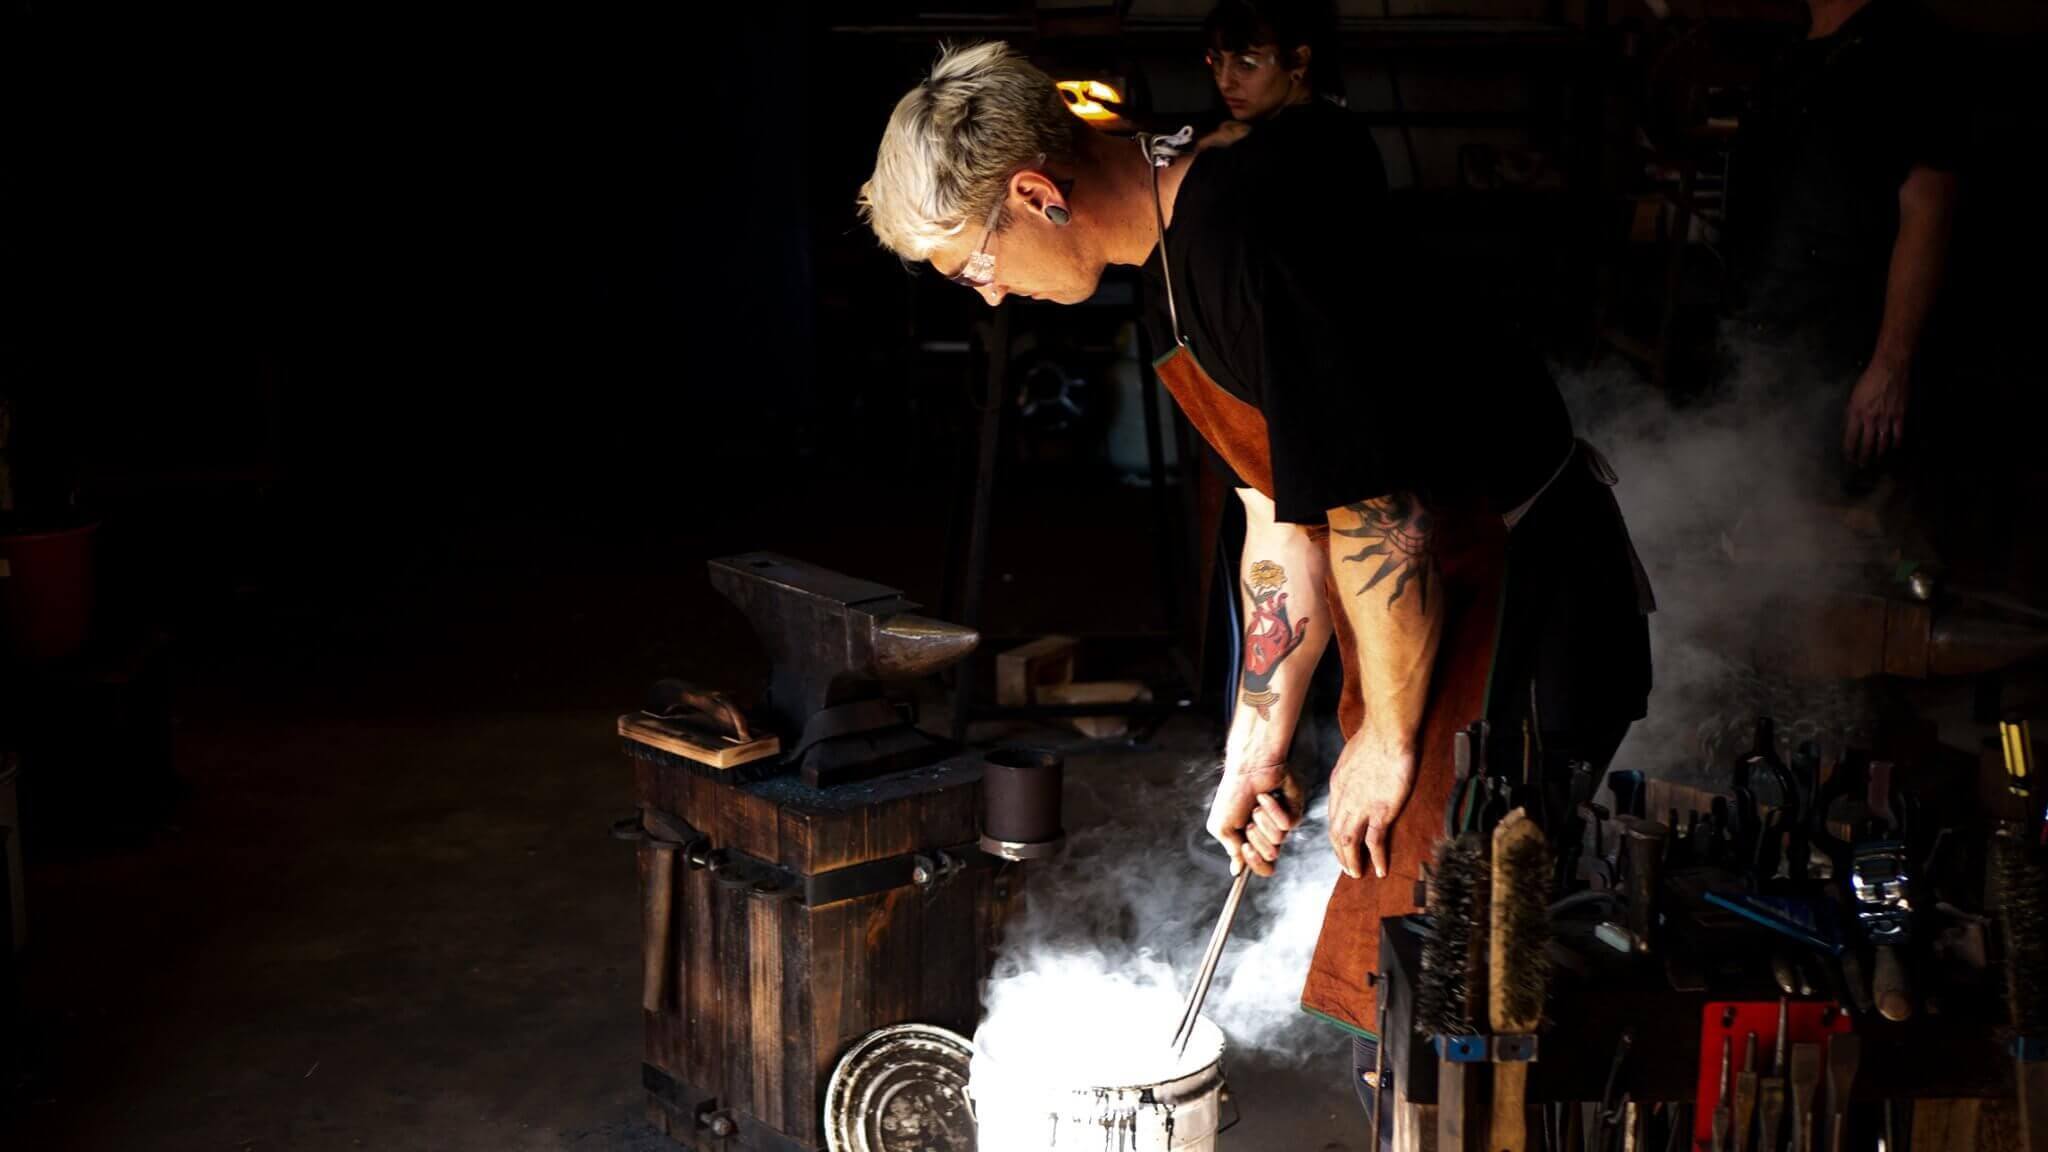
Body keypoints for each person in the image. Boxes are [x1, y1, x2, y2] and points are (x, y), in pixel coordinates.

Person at [859, 42, 1653, 1137]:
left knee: (1443, 981)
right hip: (1428, 593)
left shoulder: (1243, 238)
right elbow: (1277, 512)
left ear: (1034, 194)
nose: (983, 294)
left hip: (1516, 598)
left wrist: (1383, 740)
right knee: (1406, 969)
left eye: (970, 263)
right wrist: (1257, 736)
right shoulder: (1168, 250)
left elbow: (1380, 519)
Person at [1726, 0, 1961, 475]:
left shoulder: (1910, 47)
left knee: (1837, 525)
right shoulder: (1795, 44)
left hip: (1846, 358)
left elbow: (1927, 214)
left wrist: (1889, 366)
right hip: (1771, 338)